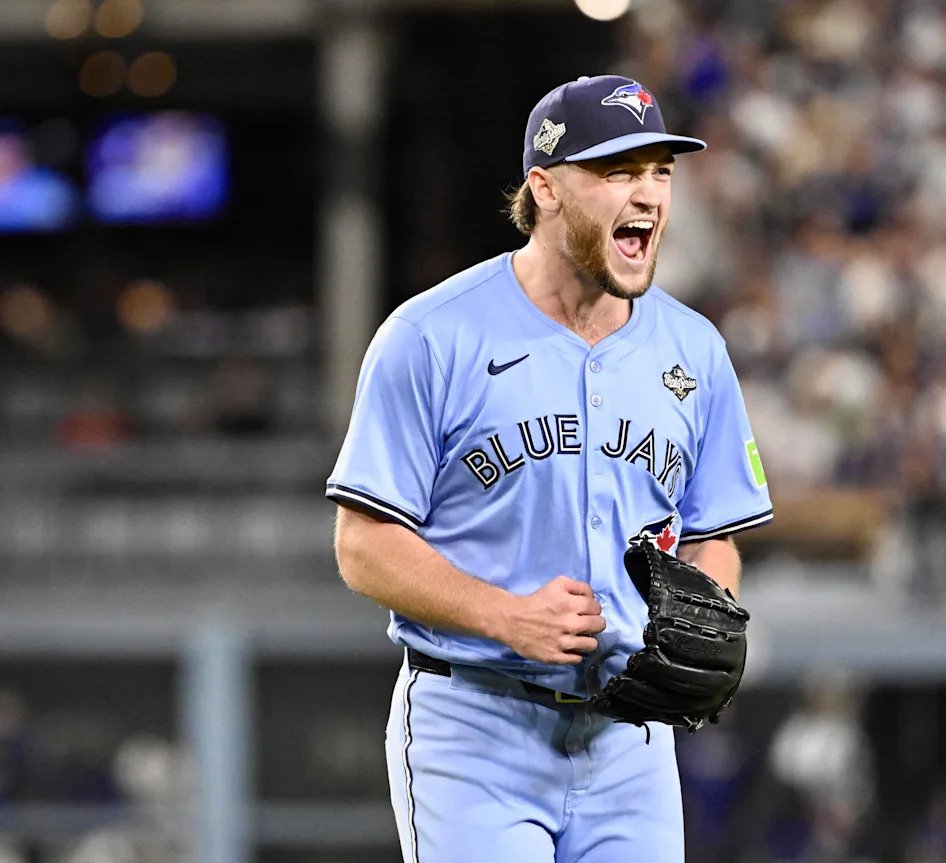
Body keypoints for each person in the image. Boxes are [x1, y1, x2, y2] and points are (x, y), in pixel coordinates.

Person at [326, 75, 774, 862]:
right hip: (475, 726)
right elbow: (362, 544)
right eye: (617, 172)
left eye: (660, 171)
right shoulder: (432, 336)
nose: (648, 195)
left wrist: (708, 607)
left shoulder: (695, 350)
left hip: (628, 739)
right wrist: (505, 615)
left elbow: (716, 535)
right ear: (546, 188)